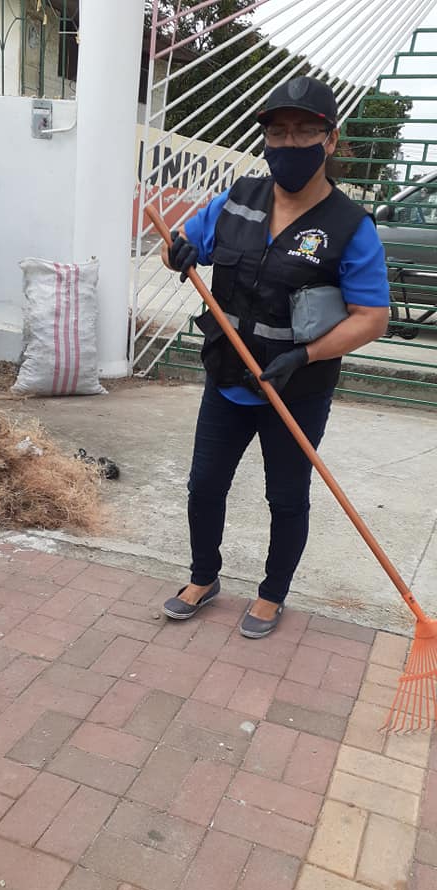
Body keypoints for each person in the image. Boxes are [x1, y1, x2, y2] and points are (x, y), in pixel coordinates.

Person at [161, 75, 389, 638]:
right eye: (278, 132)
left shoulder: (350, 227)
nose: (289, 143)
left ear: (329, 140)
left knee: (286, 498)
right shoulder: (238, 198)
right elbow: (183, 244)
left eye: (304, 131)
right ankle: (203, 577)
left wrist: (304, 356)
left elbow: (371, 317)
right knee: (204, 486)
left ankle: (272, 594)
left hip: (296, 390)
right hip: (227, 378)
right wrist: (176, 252)